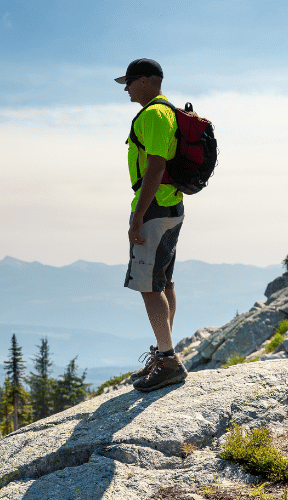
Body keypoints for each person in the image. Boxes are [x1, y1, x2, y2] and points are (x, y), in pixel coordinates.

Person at [115, 58, 188, 392]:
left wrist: (139, 216)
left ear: (145, 81)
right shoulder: (167, 112)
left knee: (149, 285)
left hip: (155, 208)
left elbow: (156, 165)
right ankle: (163, 353)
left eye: (129, 82)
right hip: (170, 206)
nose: (127, 89)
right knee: (163, 280)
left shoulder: (155, 114)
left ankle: (169, 362)